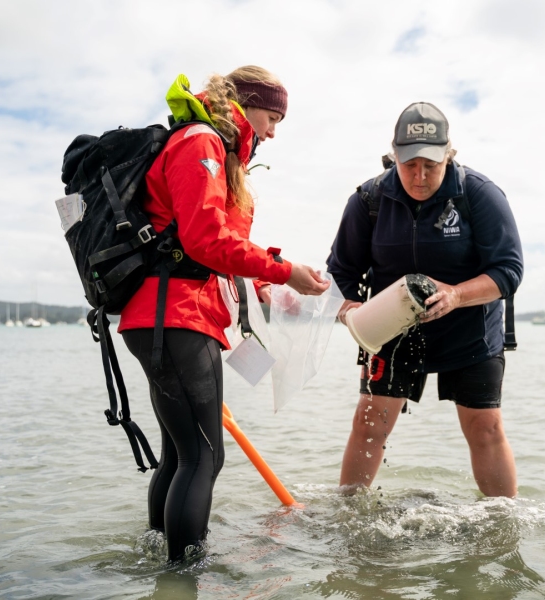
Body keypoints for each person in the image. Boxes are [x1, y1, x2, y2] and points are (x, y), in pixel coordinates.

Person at [117, 66, 329, 562]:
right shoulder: (202, 142)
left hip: (163, 317)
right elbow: (205, 240)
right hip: (178, 318)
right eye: (271, 116)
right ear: (245, 103)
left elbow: (201, 251)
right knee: (204, 457)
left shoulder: (208, 146)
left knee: (179, 453)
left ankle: (157, 565)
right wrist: (283, 268)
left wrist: (270, 284)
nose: (274, 130)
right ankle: (183, 577)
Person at [326, 102, 523, 497]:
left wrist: (455, 294)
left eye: (431, 165)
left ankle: (503, 528)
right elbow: (340, 274)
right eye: (409, 164)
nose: (420, 176)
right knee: (368, 425)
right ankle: (347, 519)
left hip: (470, 329)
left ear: (449, 154)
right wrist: (348, 311)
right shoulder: (368, 200)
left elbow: (508, 271)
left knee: (485, 428)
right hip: (392, 330)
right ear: (394, 156)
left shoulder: (478, 194)